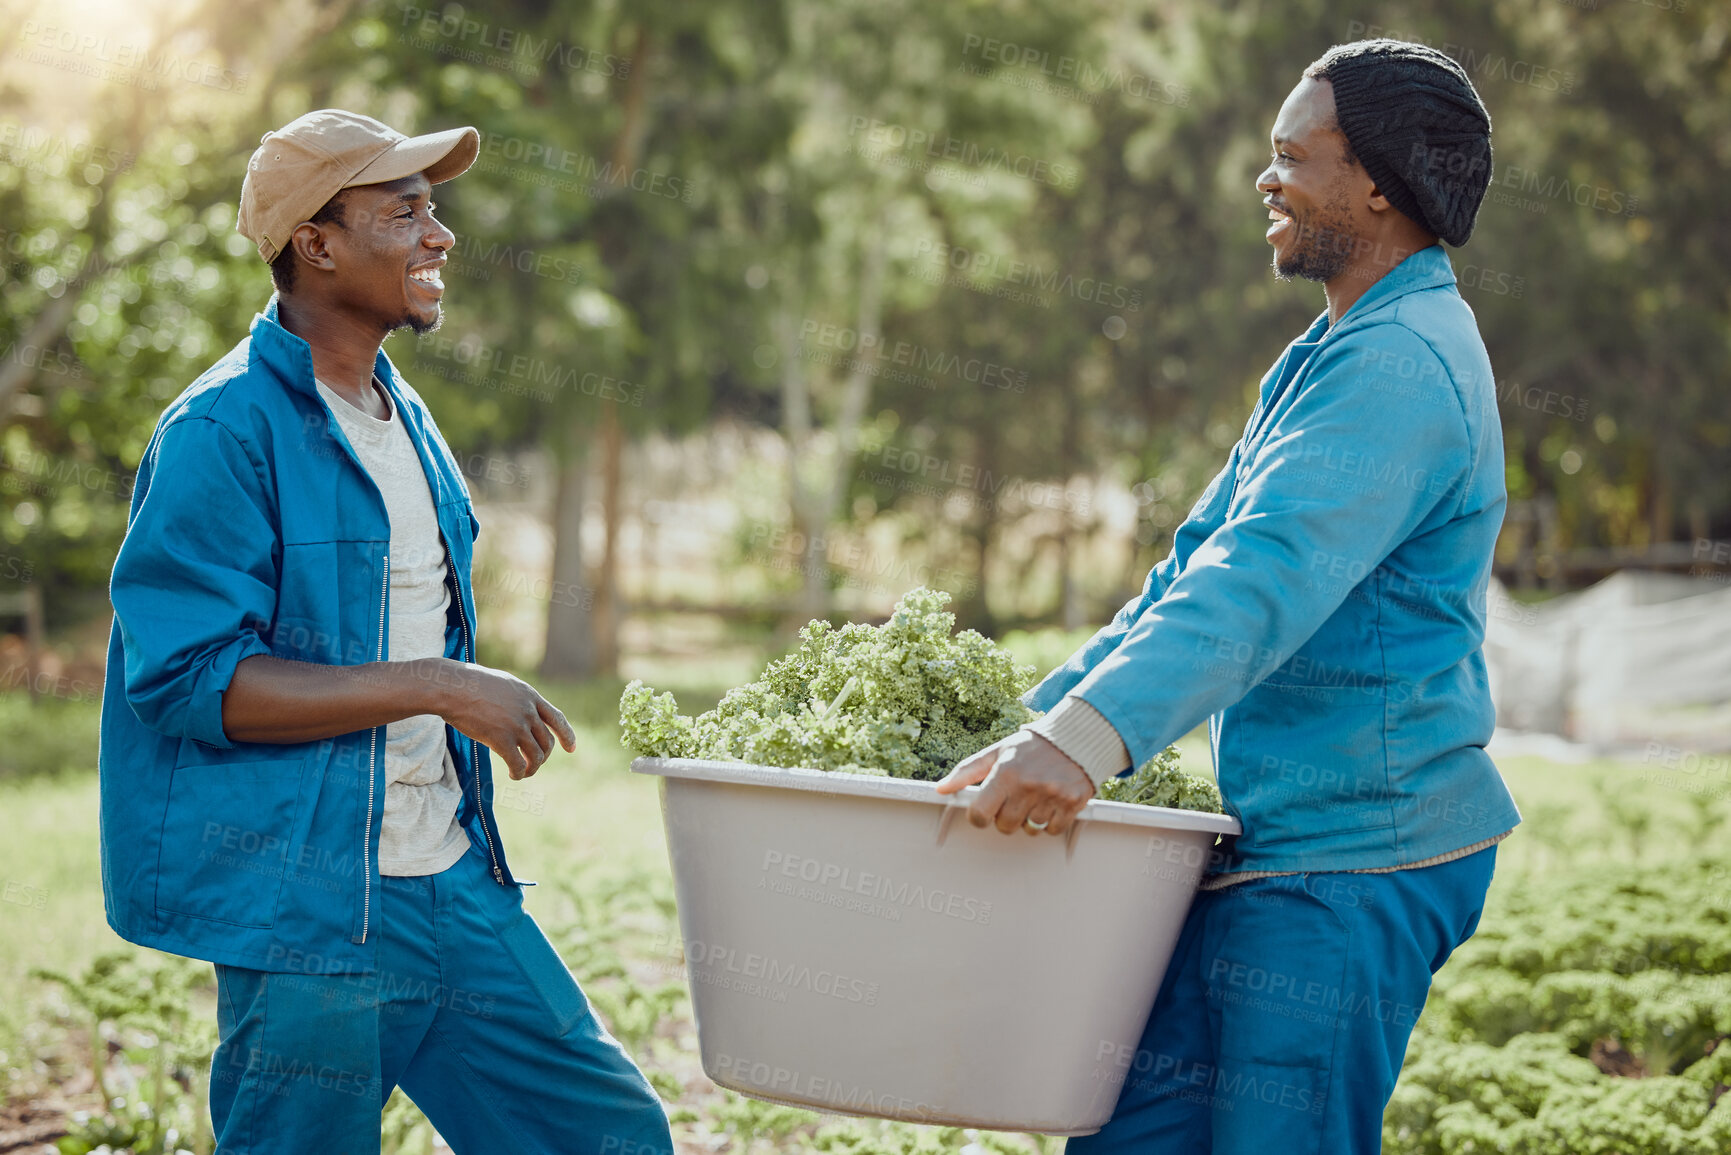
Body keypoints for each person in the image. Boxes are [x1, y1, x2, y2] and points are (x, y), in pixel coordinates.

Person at [936, 40, 1521, 1153]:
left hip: (1356, 859)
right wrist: (1034, 729)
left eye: (1293, 156)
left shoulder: (1404, 366)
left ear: (1380, 184)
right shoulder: (1328, 353)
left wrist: (1080, 748)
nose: (1268, 179)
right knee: (1124, 1131)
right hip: (1262, 850)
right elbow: (1189, 572)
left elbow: (1264, 578)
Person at [98, 109, 673, 1155]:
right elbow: (191, 681)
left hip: (451, 882)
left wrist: (439, 694)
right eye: (404, 211)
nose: (440, 235)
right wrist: (444, 687)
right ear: (316, 245)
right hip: (309, 910)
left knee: (610, 1136)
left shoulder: (404, 414)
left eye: (434, 210)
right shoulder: (220, 431)